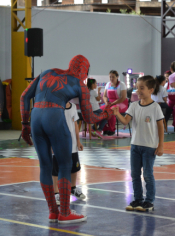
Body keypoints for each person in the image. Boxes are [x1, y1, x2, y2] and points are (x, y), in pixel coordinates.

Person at [20, 55, 113, 223]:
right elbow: (90, 118)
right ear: (84, 70)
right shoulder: (80, 85)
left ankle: (52, 212)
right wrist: (107, 114)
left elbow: (24, 97)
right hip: (54, 116)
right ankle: (64, 212)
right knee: (65, 165)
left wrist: (25, 124)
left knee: (45, 166)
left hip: (35, 116)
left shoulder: (47, 72)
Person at [112, 75, 164, 212]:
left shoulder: (155, 107)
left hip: (149, 147)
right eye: (137, 88)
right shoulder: (134, 105)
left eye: (142, 88)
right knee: (135, 174)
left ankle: (149, 201)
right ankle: (138, 199)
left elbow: (160, 127)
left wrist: (161, 145)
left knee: (147, 174)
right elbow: (125, 121)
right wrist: (117, 113)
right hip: (135, 146)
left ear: (151, 90)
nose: (138, 91)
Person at [52, 102, 86, 206]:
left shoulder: (73, 106)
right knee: (56, 168)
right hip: (58, 142)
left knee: (74, 167)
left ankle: (73, 188)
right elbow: (52, 125)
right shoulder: (55, 107)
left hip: (72, 143)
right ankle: (56, 192)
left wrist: (78, 141)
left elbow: (75, 124)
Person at [100, 70, 128, 136]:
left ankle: (111, 129)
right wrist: (106, 102)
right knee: (101, 110)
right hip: (110, 103)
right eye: (110, 77)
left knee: (111, 110)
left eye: (113, 77)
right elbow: (104, 96)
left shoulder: (122, 84)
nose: (111, 79)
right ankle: (104, 129)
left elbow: (123, 98)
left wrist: (112, 104)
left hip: (121, 103)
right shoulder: (107, 84)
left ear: (117, 77)